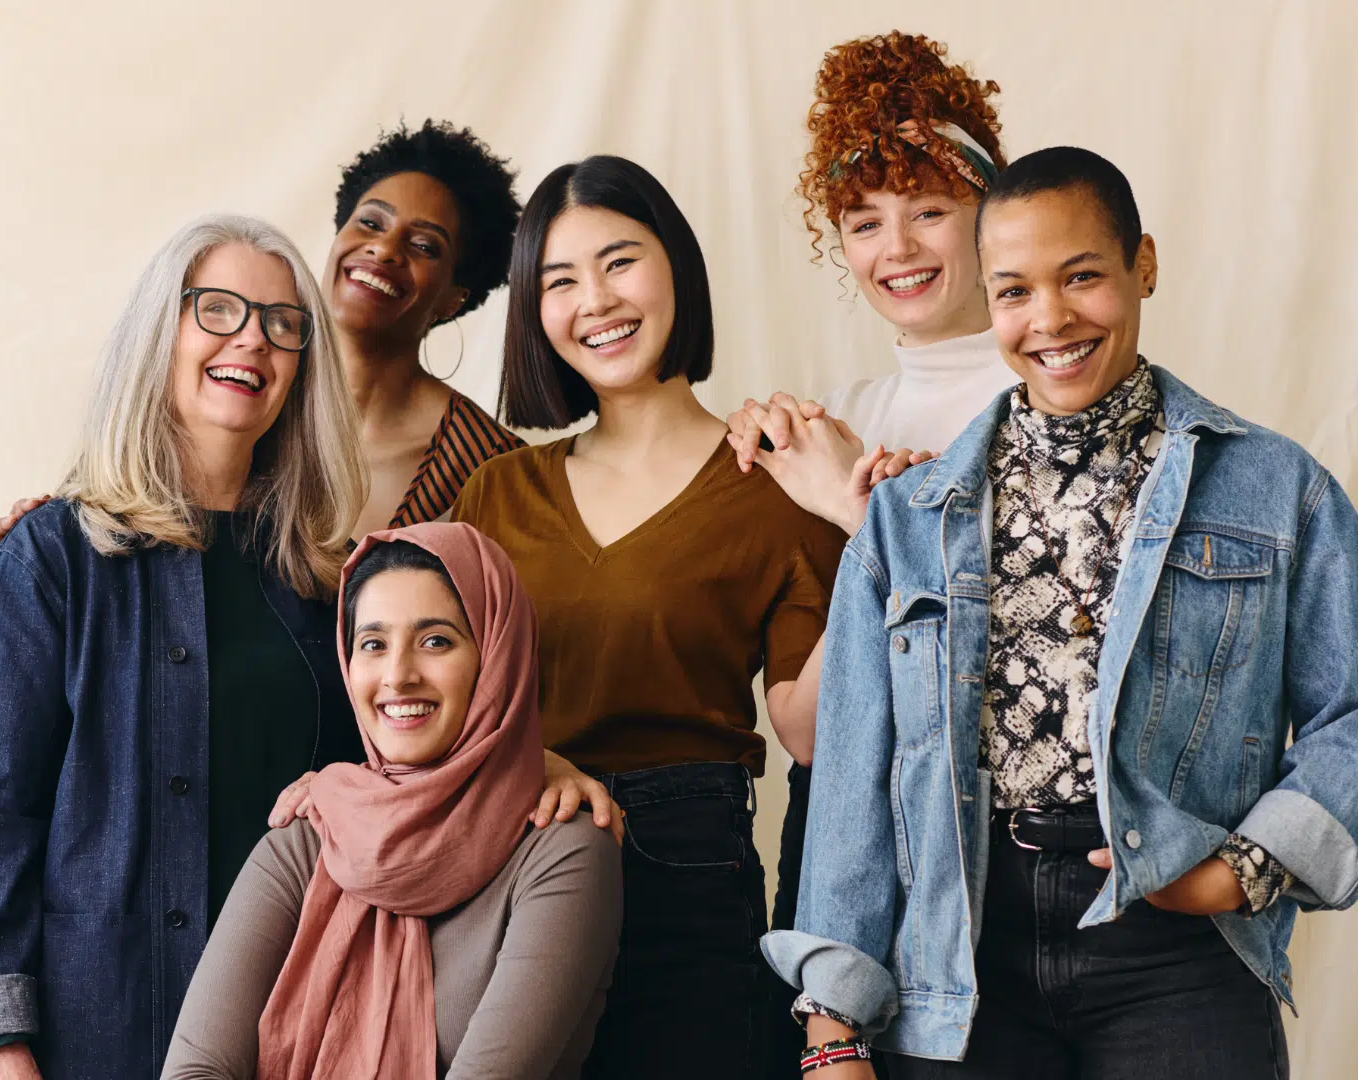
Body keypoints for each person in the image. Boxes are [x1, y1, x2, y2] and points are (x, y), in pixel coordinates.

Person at [765, 147, 1358, 1078]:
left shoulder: (1274, 488)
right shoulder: (911, 516)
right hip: (960, 950)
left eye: (1081, 277)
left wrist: (1244, 870)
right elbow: (856, 777)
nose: (1050, 319)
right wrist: (832, 1027)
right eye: (1014, 292)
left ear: (1141, 265)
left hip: (1174, 955)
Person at [0, 214, 369, 1080]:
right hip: (98, 1024)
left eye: (284, 324)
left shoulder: (331, 580)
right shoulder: (53, 556)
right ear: (157, 334)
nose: (254, 337)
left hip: (296, 1021)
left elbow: (390, 779)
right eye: (218, 309)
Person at [450, 154, 846, 1079]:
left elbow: (811, 730)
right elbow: (427, 695)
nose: (595, 299)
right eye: (559, 280)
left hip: (690, 871)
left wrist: (867, 535)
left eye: (619, 261)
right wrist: (528, 757)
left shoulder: (777, 485)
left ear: (676, 267)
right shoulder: (494, 494)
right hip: (510, 865)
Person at [718, 32, 1018, 1062]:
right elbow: (806, 730)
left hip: (1018, 859)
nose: (899, 248)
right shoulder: (833, 423)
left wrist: (867, 519)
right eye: (863, 221)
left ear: (992, 212)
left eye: (930, 209)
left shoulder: (1060, 395)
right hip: (862, 872)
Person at [162, 523, 622, 1079]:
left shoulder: (563, 852)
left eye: (436, 641)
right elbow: (195, 1070)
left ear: (497, 656)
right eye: (373, 645)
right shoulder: (308, 835)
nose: (398, 676)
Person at [326, 120, 526, 536]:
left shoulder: (490, 469)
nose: (384, 249)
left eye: (423, 246)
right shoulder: (252, 404)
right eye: (371, 223)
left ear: (454, 297)